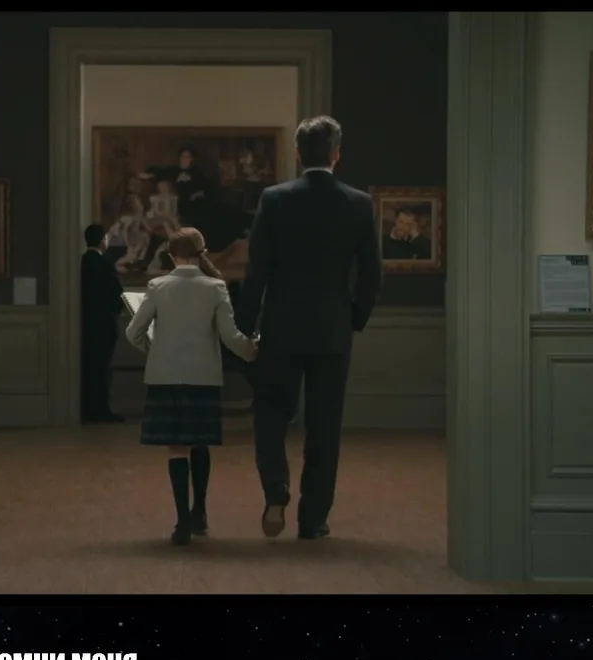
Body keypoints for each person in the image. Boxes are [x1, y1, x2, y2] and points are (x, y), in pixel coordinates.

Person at [235, 115, 383, 540]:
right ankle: (313, 518)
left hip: (281, 325)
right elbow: (371, 274)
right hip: (332, 328)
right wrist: (354, 317)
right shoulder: (359, 204)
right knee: (324, 425)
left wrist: (244, 325)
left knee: (270, 412)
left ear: (298, 153)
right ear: (337, 154)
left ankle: (276, 488)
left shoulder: (274, 199)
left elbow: (257, 271)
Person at [125, 227, 259, 545]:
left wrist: (156, 351)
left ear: (172, 255)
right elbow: (229, 336)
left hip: (166, 376)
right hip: (203, 377)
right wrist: (251, 350)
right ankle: (199, 511)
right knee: (200, 442)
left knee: (176, 448)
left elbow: (133, 332)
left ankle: (182, 521)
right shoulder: (215, 287)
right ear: (202, 253)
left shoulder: (157, 286)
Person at [81, 223, 126, 423]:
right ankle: (101, 410)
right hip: (104, 325)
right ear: (102, 241)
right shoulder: (105, 265)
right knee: (102, 369)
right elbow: (117, 296)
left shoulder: (82, 263)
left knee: (87, 368)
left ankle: (86, 409)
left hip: (84, 325)